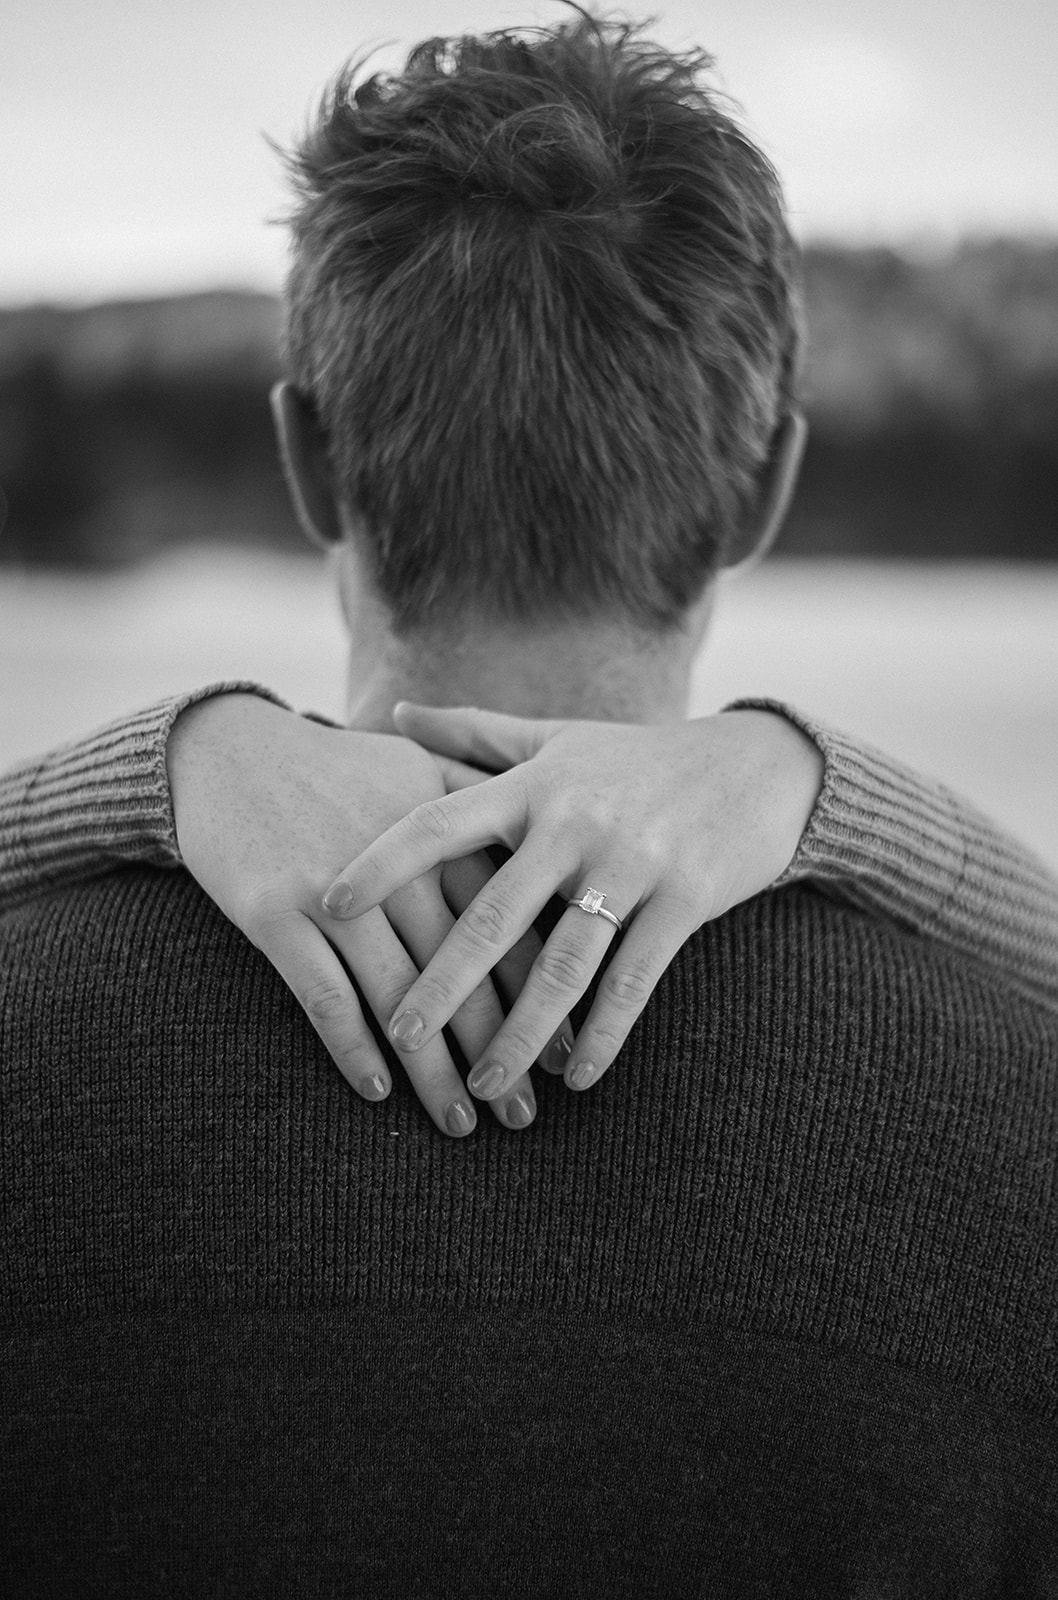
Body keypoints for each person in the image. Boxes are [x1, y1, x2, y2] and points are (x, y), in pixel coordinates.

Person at [1, 10, 1055, 1592]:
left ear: (303, 459)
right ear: (766, 485)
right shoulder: (1019, 1123)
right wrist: (813, 780)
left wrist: (174, 752)